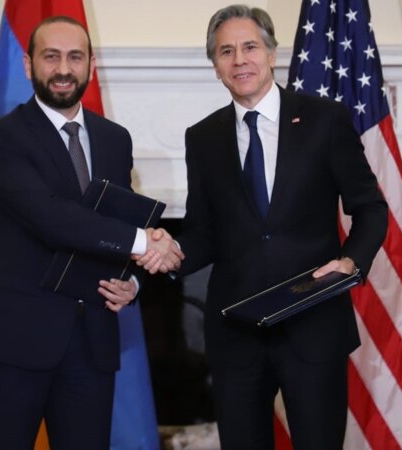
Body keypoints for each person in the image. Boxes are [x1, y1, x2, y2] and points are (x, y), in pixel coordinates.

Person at [138, 5, 388, 449]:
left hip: (313, 326)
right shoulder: (203, 137)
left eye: (250, 47)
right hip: (237, 334)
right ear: (215, 67)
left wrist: (350, 262)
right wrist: (169, 250)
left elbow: (370, 208)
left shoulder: (324, 119)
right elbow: (204, 232)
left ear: (272, 54)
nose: (239, 60)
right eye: (226, 51)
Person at [0, 16, 182, 450]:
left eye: (75, 57)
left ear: (91, 66)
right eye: (51, 56)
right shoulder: (2, 138)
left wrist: (132, 282)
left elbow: (112, 222)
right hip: (15, 342)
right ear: (28, 65)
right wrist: (146, 242)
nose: (64, 69)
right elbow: (51, 219)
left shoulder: (115, 139)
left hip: (91, 344)